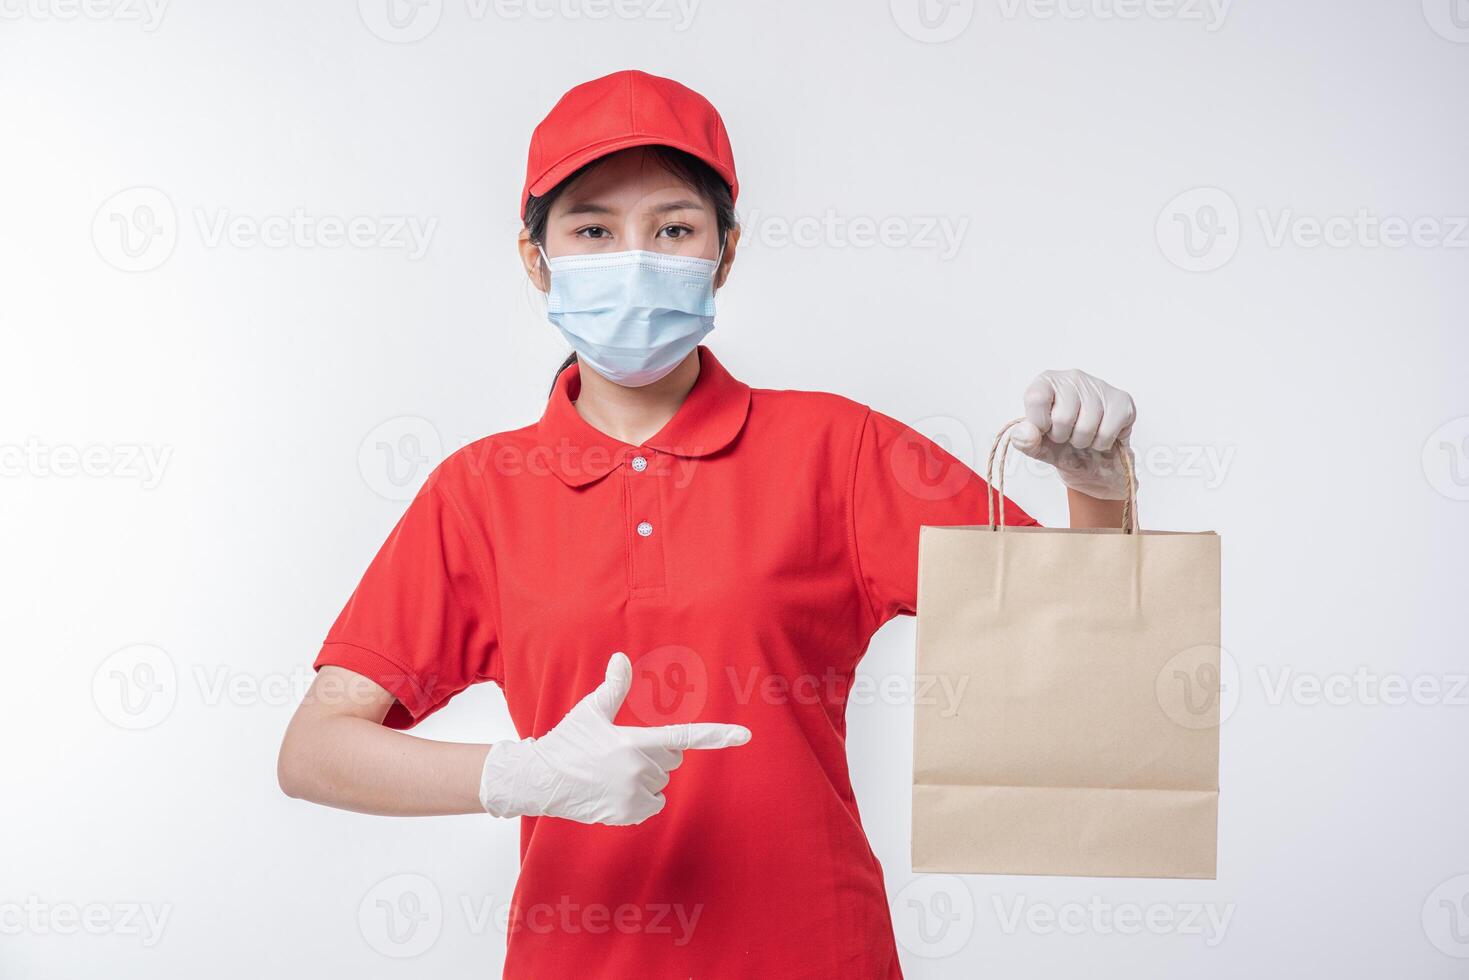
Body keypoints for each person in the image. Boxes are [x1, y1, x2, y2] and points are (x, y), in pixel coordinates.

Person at [277, 69, 1139, 979]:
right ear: (536, 259)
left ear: (724, 255)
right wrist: (518, 777)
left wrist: (1098, 491)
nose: (635, 256)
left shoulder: (837, 449)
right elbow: (315, 750)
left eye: (674, 227)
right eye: (593, 228)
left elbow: (1080, 642)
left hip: (818, 955)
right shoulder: (481, 489)